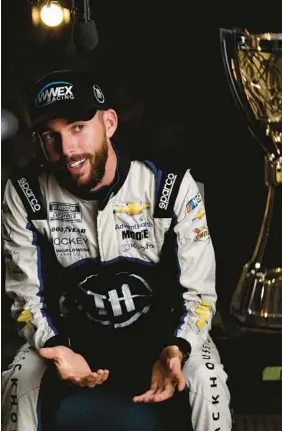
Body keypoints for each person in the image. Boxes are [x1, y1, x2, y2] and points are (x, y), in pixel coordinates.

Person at [1, 69, 233, 431]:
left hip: (161, 341)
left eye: (78, 127)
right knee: (17, 379)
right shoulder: (25, 194)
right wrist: (57, 346)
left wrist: (178, 347)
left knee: (208, 380)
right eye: (51, 136)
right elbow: (25, 297)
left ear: (109, 123)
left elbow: (200, 295)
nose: (68, 150)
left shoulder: (167, 185)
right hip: (73, 345)